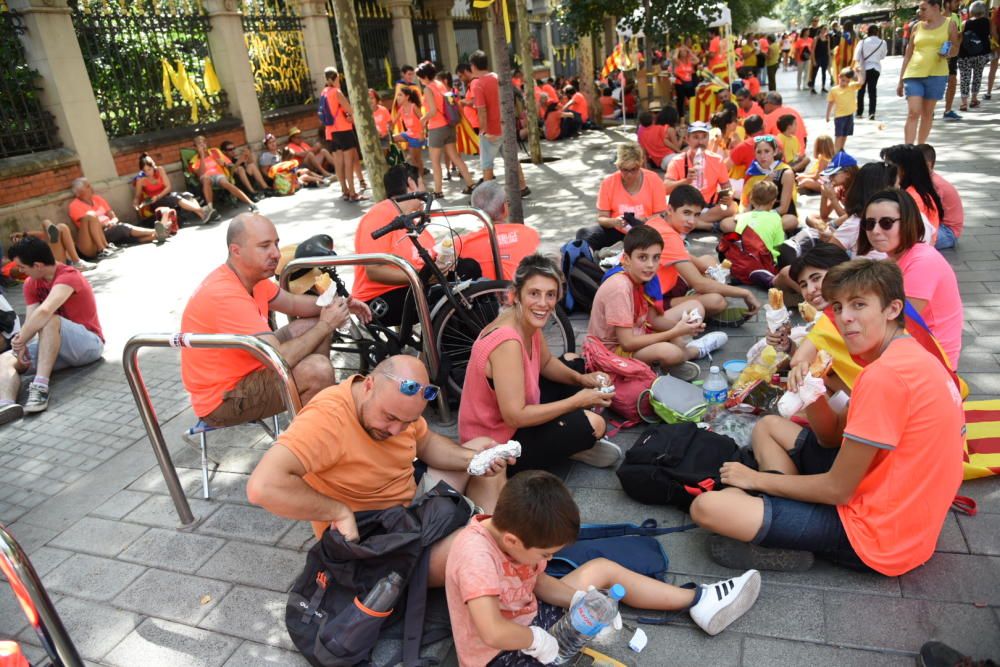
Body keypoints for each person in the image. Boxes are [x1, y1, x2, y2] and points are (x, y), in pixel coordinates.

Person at [691, 258, 965, 577]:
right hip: (905, 515)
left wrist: (753, 479)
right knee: (768, 427)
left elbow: (838, 490)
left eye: (859, 304)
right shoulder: (911, 355)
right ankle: (782, 508)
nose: (845, 318)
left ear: (892, 309)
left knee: (707, 508)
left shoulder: (885, 377)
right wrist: (814, 392)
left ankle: (782, 521)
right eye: (838, 306)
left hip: (878, 536)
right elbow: (831, 438)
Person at [445, 470, 761, 666]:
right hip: (498, 653)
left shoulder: (514, 538)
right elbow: (492, 630)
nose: (547, 558)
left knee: (601, 569)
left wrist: (577, 599)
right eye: (545, 552)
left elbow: (536, 580)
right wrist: (536, 641)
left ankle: (697, 601)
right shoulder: (476, 556)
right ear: (513, 541)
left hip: (528, 618)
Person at [246, 356, 510, 585]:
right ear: (369, 385)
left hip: (411, 509)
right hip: (379, 545)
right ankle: (484, 545)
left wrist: (473, 459)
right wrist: (337, 511)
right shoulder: (327, 419)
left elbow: (425, 442)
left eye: (407, 422)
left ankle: (485, 533)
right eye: (390, 418)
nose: (396, 430)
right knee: (477, 549)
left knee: (484, 449)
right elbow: (263, 486)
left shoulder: (399, 406)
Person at [181, 213, 370, 428]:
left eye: (276, 244)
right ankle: (315, 431)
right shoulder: (225, 294)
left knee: (308, 327)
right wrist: (326, 324)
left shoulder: (252, 277)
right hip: (222, 399)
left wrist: (340, 303)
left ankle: (317, 410)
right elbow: (279, 358)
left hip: (249, 368)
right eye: (264, 246)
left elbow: (293, 304)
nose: (276, 254)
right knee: (317, 369)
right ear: (236, 251)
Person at [459, 255, 623, 473]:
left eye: (550, 295)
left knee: (573, 363)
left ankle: (567, 442)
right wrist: (576, 401)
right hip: (496, 445)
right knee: (595, 424)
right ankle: (572, 447)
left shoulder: (524, 320)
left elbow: (545, 363)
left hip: (514, 417)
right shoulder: (507, 342)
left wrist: (583, 380)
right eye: (534, 293)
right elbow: (514, 416)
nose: (543, 304)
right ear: (516, 295)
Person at [587, 226, 728, 379]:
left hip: (638, 331)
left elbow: (652, 320)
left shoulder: (646, 276)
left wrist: (685, 328)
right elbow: (627, 343)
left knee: (696, 307)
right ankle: (692, 352)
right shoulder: (620, 287)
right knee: (670, 352)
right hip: (613, 352)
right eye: (643, 257)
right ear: (626, 259)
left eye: (656, 257)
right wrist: (675, 332)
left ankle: (670, 361)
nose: (650, 264)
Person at [0, 237, 104, 424]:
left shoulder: (69, 275)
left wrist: (21, 339)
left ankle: (40, 387)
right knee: (5, 359)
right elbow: (32, 317)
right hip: (53, 347)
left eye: (22, 267)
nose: (20, 272)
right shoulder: (31, 283)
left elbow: (45, 311)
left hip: (89, 345)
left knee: (49, 319)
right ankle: (6, 405)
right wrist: (19, 346)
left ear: (38, 265)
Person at [858, 188, 963, 366]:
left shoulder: (923, 262)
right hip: (913, 350)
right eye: (869, 223)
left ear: (907, 222)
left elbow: (897, 322)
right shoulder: (893, 257)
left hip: (933, 362)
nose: (875, 231)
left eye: (886, 223)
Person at [647, 185, 760, 318]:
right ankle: (688, 311)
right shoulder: (668, 236)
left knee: (708, 261)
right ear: (670, 209)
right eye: (686, 213)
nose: (692, 221)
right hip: (654, 302)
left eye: (696, 215)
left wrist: (709, 271)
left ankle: (693, 300)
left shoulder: (658, 221)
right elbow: (699, 284)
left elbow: (684, 256)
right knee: (716, 301)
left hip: (665, 284)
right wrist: (744, 293)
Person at [578, 142, 667, 251]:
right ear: (618, 166)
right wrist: (615, 221)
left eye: (633, 169)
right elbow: (602, 218)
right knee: (584, 234)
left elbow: (661, 215)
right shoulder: (608, 183)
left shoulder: (653, 180)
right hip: (618, 232)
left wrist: (643, 220)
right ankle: (591, 258)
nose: (629, 175)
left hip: (646, 232)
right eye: (624, 170)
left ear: (641, 165)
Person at [897, 0, 959, 143]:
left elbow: (955, 48)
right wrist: (900, 81)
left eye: (923, 9)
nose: (920, 12)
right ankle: (908, 150)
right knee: (913, 112)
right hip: (913, 74)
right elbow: (908, 55)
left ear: (936, 7)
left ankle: (920, 148)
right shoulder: (917, 27)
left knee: (927, 114)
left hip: (937, 74)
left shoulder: (950, 24)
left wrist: (948, 53)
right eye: (919, 9)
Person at [415, 61, 477, 200]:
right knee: (455, 157)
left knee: (435, 161)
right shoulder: (440, 84)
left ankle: (438, 191)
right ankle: (470, 183)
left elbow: (431, 111)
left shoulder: (427, 89)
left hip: (436, 128)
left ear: (424, 76)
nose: (419, 79)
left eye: (419, 77)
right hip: (449, 125)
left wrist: (422, 120)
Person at [470, 50, 528, 196]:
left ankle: (487, 197)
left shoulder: (477, 84)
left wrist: (482, 130)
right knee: (512, 158)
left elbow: (482, 110)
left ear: (473, 66)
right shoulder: (497, 77)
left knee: (487, 165)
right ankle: (522, 186)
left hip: (490, 130)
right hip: (506, 126)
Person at [663, 122, 735, 232]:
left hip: (708, 208)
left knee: (732, 207)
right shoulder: (677, 161)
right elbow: (665, 189)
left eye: (704, 137)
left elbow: (726, 187)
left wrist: (728, 195)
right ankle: (708, 226)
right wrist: (686, 181)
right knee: (667, 206)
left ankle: (689, 223)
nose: (700, 142)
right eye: (696, 137)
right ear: (687, 139)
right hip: (685, 207)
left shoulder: (717, 160)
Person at [461, 180, 540, 280]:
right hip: (524, 293)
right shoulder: (529, 234)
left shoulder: (461, 243)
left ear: (476, 213)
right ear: (504, 208)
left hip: (485, 293)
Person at [67, 177, 160, 259]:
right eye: (87, 186)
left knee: (125, 235)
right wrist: (106, 224)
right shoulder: (75, 205)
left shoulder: (97, 198)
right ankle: (156, 231)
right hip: (97, 235)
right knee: (122, 229)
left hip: (111, 228)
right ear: (80, 192)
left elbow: (112, 214)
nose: (91, 188)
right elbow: (88, 223)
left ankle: (157, 235)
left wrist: (113, 221)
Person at [881, 143, 944, 243]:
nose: (884, 171)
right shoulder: (913, 191)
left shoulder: (913, 197)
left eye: (889, 166)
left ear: (904, 170)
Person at [320, 67, 365, 202]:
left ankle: (344, 190)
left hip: (330, 132)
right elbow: (349, 109)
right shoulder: (336, 92)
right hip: (343, 130)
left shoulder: (324, 92)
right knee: (349, 162)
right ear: (335, 79)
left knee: (338, 163)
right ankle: (353, 192)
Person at [741, 135, 799, 232]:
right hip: (756, 215)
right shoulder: (752, 173)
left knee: (791, 221)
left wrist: (763, 216)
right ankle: (761, 230)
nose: (762, 156)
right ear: (755, 154)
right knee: (726, 224)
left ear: (775, 152)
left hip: (778, 215)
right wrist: (746, 216)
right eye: (759, 152)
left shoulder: (785, 172)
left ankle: (757, 230)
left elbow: (784, 208)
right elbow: (749, 205)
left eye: (767, 151)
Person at [133, 153, 210, 225]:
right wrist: (135, 203)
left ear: (153, 167)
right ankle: (204, 212)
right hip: (155, 201)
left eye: (149, 169)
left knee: (187, 195)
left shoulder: (160, 170)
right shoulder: (140, 180)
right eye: (145, 171)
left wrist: (159, 196)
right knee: (175, 198)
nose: (147, 173)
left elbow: (168, 187)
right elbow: (137, 196)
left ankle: (203, 216)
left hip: (165, 195)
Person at [190, 136, 259, 214]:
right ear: (195, 147)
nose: (203, 145)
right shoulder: (194, 160)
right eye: (199, 144)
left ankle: (251, 203)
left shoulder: (214, 151)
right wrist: (202, 156)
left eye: (204, 142)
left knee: (225, 183)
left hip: (219, 174)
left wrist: (224, 164)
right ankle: (210, 209)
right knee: (206, 179)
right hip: (205, 177)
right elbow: (200, 174)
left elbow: (229, 164)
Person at [917, 143, 963, 249]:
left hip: (948, 232)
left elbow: (928, 216)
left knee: (910, 240)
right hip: (938, 226)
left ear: (928, 165)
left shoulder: (935, 185)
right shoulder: (926, 180)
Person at [9, 221, 96, 272]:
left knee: (60, 227)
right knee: (57, 226)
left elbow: (42, 235)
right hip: (53, 265)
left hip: (59, 258)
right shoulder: (14, 264)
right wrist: (19, 248)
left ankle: (77, 262)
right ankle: (77, 262)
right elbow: (18, 270)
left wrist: (23, 234)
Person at [957, 1, 993, 112]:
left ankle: (963, 103)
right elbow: (992, 35)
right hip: (981, 54)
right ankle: (974, 99)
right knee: (977, 76)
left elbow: (960, 38)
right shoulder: (988, 22)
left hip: (965, 55)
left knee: (964, 78)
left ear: (971, 11)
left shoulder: (965, 23)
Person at [825, 68, 864, 153]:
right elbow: (830, 103)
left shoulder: (851, 86)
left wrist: (858, 73)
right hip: (839, 116)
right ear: (839, 77)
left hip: (849, 115)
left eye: (847, 81)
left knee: (845, 134)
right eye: (843, 80)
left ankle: (841, 149)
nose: (845, 83)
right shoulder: (834, 90)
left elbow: (861, 82)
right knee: (839, 135)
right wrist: (827, 115)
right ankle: (836, 152)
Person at [854, 24, 888, 120]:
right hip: (875, 68)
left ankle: (859, 112)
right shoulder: (882, 42)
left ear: (868, 32)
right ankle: (871, 113)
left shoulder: (862, 42)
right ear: (877, 32)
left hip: (863, 68)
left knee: (861, 91)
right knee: (872, 91)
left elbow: (856, 56)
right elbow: (883, 56)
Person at [941, 0, 965, 120]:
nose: (958, 4)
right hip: (940, 54)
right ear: (947, 3)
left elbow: (959, 36)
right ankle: (929, 110)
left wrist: (958, 42)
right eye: (955, 1)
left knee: (952, 81)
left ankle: (948, 110)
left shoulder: (957, 17)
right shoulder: (938, 17)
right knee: (936, 83)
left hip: (953, 55)